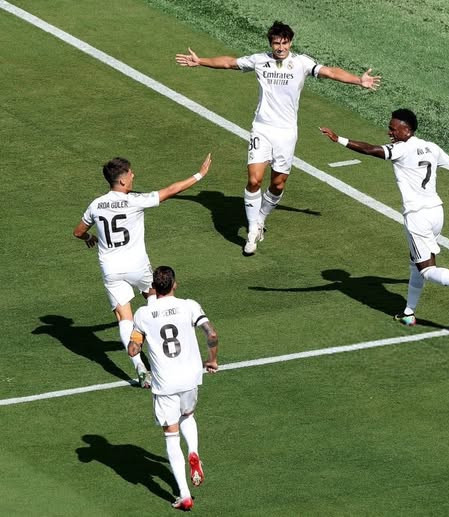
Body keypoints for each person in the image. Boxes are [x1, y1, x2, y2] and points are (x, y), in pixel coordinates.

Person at [176, 21, 380, 255]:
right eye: (276, 43)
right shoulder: (259, 60)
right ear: (270, 44)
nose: (280, 47)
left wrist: (358, 80)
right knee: (254, 180)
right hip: (262, 129)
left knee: (278, 184)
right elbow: (229, 63)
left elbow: (331, 72)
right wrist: (201, 61)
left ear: (290, 43)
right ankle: (252, 230)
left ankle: (261, 218)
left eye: (284, 43)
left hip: (286, 133)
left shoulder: (302, 63)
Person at [320, 109, 449, 325]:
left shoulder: (401, 149)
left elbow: (370, 149)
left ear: (407, 130)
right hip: (436, 212)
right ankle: (408, 313)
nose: (390, 132)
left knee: (427, 270)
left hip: (417, 217)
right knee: (415, 263)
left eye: (393, 129)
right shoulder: (431, 147)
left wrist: (338, 139)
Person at [73, 153, 212, 386]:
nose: (133, 176)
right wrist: (199, 174)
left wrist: (89, 237)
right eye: (130, 174)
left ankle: (139, 367)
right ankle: (168, 346)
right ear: (122, 180)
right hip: (137, 266)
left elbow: (78, 232)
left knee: (123, 317)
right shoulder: (135, 200)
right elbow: (172, 190)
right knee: (156, 300)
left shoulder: (95, 205)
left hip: (111, 270)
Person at [128, 265, 219, 511]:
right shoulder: (190, 306)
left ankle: (184, 495)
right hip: (190, 377)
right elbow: (211, 334)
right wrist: (212, 360)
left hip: (165, 383)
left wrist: (135, 345)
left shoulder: (143, 314)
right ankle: (194, 452)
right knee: (187, 415)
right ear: (175, 285)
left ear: (153, 288)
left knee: (171, 434)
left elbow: (133, 349)